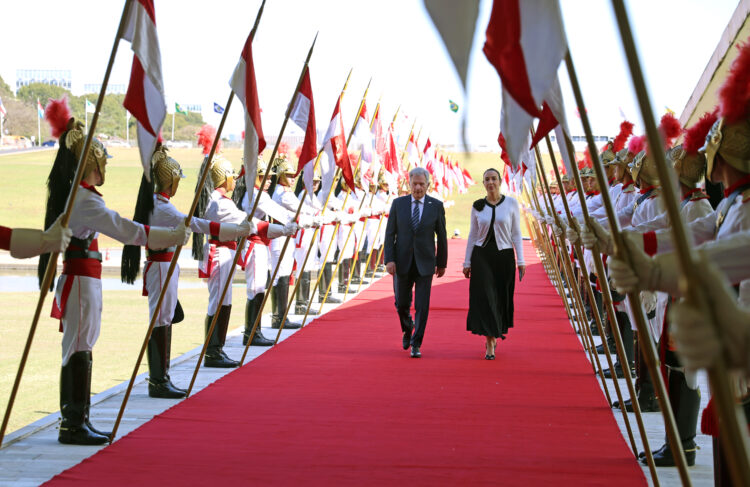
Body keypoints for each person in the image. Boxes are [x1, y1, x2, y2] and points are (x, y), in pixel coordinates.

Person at [40, 99, 191, 445]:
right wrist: (170, 235)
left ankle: (78, 419)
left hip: (84, 277)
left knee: (82, 345)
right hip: (81, 278)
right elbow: (127, 230)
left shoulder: (83, 197)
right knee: (79, 346)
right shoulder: (86, 200)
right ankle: (73, 422)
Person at [384, 167, 448, 358]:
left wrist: (442, 263)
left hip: (425, 264)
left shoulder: (435, 206)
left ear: (428, 185)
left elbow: (442, 236)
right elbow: (390, 234)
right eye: (415, 183)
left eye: (422, 184)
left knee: (422, 305)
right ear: (409, 184)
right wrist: (389, 259)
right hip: (402, 263)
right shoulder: (398, 204)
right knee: (401, 303)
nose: (418, 187)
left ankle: (416, 343)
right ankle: (407, 327)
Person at [462, 168, 525, 359]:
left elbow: (516, 233)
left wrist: (521, 260)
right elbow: (472, 234)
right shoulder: (478, 206)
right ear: (484, 184)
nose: (491, 182)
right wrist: (467, 261)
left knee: (500, 296)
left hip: (504, 256)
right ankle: (489, 342)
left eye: (494, 179)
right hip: (482, 256)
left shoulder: (512, 204)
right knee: (486, 296)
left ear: (500, 181)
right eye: (487, 179)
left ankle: (496, 332)